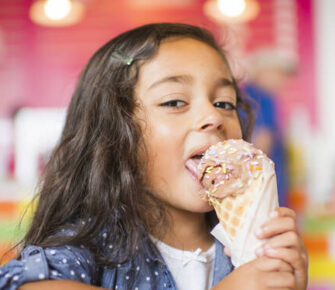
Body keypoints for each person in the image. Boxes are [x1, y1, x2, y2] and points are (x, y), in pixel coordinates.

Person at [0, 23, 308, 290]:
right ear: (116, 135)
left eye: (225, 103)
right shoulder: (89, 247)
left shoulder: (246, 245)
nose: (213, 116)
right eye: (175, 101)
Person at [243, 49, 296, 207]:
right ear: (262, 72)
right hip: (263, 191)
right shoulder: (263, 98)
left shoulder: (245, 95)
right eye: (279, 73)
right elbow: (261, 145)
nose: (283, 80)